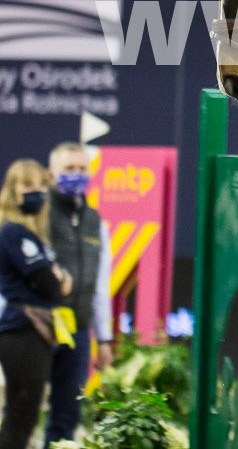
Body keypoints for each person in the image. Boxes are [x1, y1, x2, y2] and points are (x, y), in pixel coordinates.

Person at [44, 142, 114, 448]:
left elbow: (100, 285)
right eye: (69, 169)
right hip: (38, 326)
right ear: (51, 174)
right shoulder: (37, 215)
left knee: (67, 416)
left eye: (82, 169)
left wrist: (105, 338)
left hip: (78, 329)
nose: (76, 174)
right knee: (22, 411)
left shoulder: (95, 222)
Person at [0, 159, 72, 449]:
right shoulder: (13, 233)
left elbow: (56, 284)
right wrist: (58, 279)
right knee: (21, 413)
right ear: (12, 191)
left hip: (32, 332)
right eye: (28, 185)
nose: (37, 192)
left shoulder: (35, 236)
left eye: (42, 185)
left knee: (24, 415)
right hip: (21, 331)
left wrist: (58, 279)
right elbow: (51, 286)